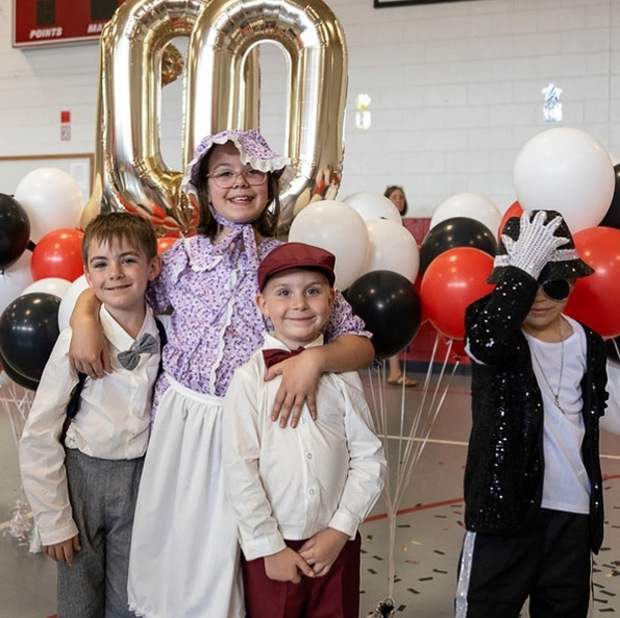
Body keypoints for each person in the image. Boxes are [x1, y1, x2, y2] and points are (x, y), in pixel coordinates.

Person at [68, 129, 375, 618]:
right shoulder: (182, 259)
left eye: (252, 171)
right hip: (187, 426)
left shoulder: (287, 264)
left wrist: (314, 360)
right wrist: (84, 316)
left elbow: (359, 343)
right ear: (204, 187)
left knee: (254, 559)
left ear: (270, 183)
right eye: (225, 173)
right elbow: (116, 284)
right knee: (186, 562)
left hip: (262, 428)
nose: (240, 182)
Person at [455, 210, 608, 617]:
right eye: (525, 286)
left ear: (573, 281)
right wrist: (522, 269)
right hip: (502, 512)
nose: (538, 297)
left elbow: (591, 412)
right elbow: (488, 341)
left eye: (553, 283)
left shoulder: (588, 343)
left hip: (571, 516)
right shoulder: (489, 327)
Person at [222, 242, 387, 618]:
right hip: (274, 548)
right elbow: (239, 468)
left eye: (312, 291)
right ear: (262, 304)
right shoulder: (248, 381)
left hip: (335, 547)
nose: (299, 303)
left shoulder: (343, 376)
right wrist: (268, 546)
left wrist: (340, 529)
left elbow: (368, 457)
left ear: (331, 300)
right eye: (284, 293)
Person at [19, 211, 163, 617]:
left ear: (152, 266)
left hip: (140, 479)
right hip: (81, 477)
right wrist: (53, 521)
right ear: (87, 274)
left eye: (128, 260)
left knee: (131, 599)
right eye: (101, 264)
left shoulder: (166, 332)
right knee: (79, 602)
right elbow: (39, 431)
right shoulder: (75, 341)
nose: (114, 273)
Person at [384, 184, 417, 387]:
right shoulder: (382, 223)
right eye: (394, 197)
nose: (398, 200)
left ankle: (394, 371)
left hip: (399, 279)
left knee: (393, 324)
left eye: (401, 197)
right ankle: (394, 371)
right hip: (384, 278)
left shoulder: (401, 227)